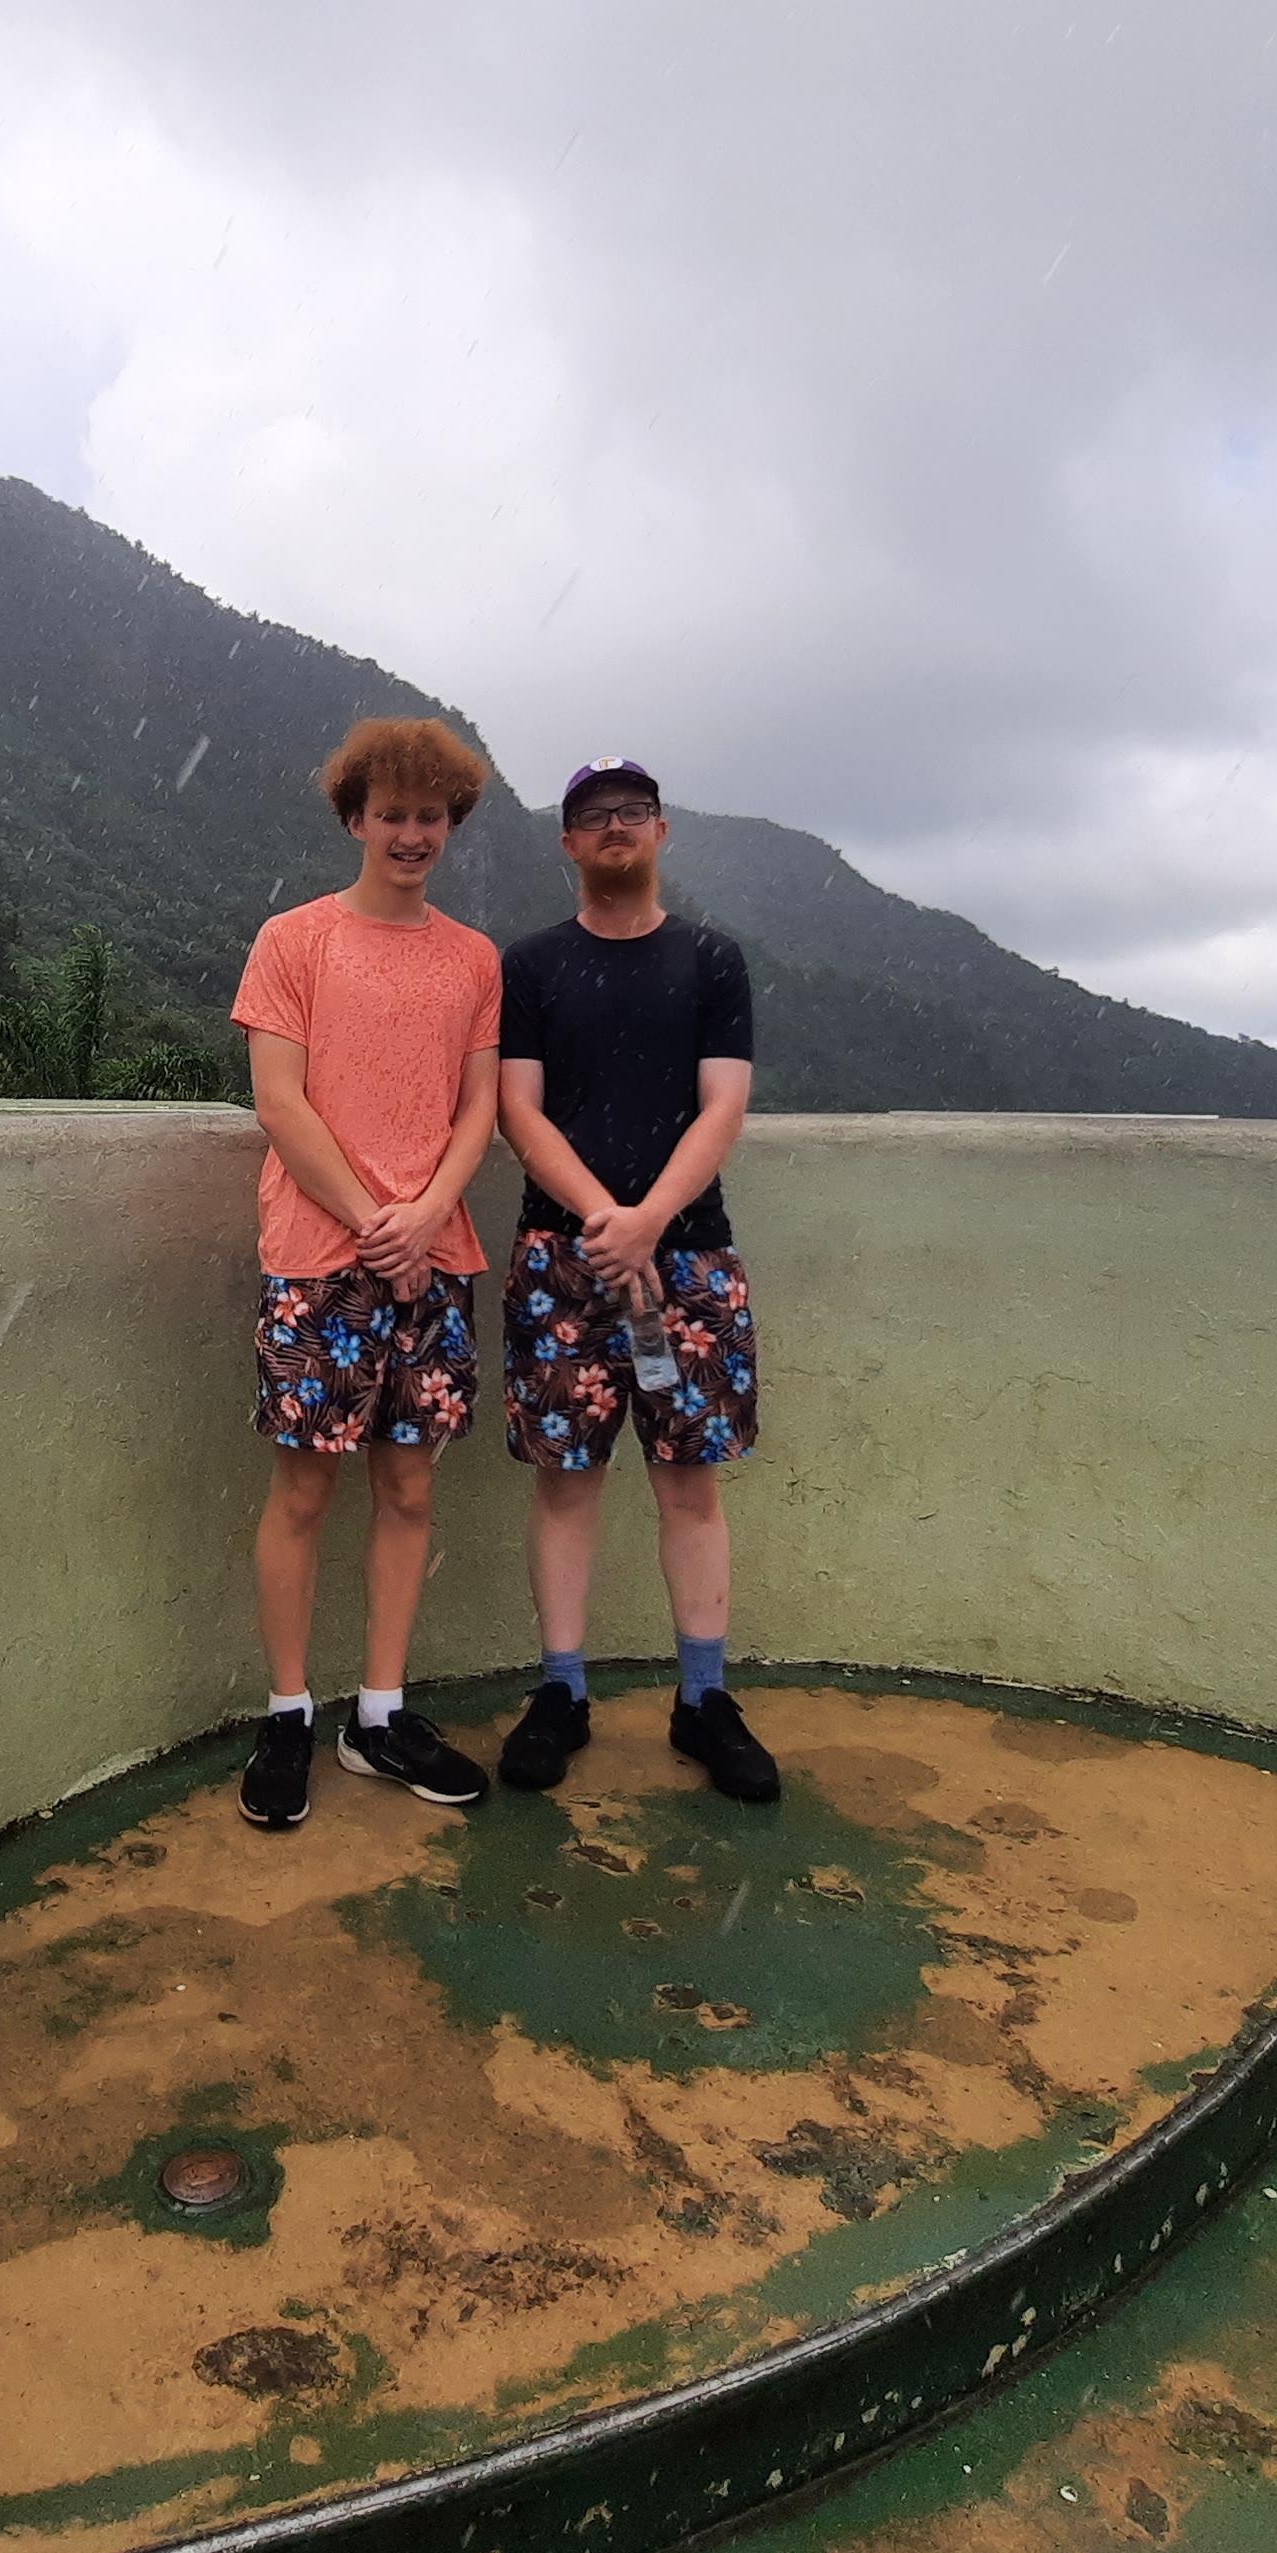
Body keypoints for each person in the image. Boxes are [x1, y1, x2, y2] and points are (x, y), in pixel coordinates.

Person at [228, 717, 504, 1832]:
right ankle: (288, 1711)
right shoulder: (292, 941)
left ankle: (378, 1715)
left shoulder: (474, 959)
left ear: (450, 823)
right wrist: (367, 1218)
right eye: (389, 813)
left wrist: (426, 1214)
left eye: (428, 815)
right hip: (317, 1256)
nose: (410, 833)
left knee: (409, 1487)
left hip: (432, 1261)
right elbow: (279, 1101)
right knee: (305, 1490)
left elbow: (478, 1105)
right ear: (354, 819)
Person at [493, 758, 779, 1803]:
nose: (613, 828)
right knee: (564, 1483)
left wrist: (647, 1222)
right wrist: (602, 1224)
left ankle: (703, 1699)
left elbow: (723, 1107)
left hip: (688, 1264)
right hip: (557, 1265)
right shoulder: (527, 967)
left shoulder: (711, 961)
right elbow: (516, 1110)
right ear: (567, 846)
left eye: (631, 813)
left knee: (688, 1485)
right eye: (591, 818)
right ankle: (560, 1692)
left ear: (660, 833)